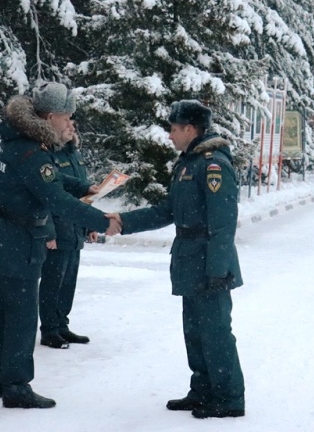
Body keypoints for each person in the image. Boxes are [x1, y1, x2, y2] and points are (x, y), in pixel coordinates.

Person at [0, 82, 121, 409]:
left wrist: (84, 185)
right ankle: (16, 386)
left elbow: (49, 177)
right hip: (17, 241)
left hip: (4, 237)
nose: (70, 124)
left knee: (2, 310)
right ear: (51, 116)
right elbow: (55, 197)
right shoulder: (31, 151)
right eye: (67, 117)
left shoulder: (21, 142)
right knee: (22, 316)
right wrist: (101, 221)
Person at [108, 99, 245, 419]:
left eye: (173, 129)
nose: (169, 135)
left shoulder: (213, 164)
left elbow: (223, 222)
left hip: (209, 261)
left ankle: (228, 397)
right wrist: (123, 221)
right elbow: (167, 211)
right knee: (195, 331)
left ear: (189, 128)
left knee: (215, 332)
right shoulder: (188, 163)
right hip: (189, 259)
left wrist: (217, 269)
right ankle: (203, 390)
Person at [38, 120, 98, 349]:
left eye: (75, 124)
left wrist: (90, 224)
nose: (73, 128)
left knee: (68, 283)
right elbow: (47, 197)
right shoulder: (48, 155)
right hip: (58, 230)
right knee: (52, 282)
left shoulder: (74, 154)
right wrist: (48, 231)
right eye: (69, 124)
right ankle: (49, 330)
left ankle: (62, 326)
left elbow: (84, 194)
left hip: (75, 228)